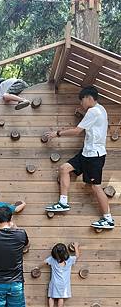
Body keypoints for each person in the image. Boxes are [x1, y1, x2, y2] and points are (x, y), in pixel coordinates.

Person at [44, 85, 114, 230]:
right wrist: (82, 113)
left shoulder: (93, 112)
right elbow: (93, 124)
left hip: (94, 156)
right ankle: (63, 203)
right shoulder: (101, 110)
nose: (81, 103)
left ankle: (108, 219)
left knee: (95, 187)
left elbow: (77, 131)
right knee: (64, 168)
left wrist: (57, 133)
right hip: (86, 153)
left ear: (89, 98)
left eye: (82, 100)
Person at [38, 242, 80, 307]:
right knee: (61, 297)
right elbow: (77, 256)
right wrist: (76, 247)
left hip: (54, 282)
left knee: (51, 296)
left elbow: (43, 263)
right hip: (64, 284)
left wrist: (38, 268)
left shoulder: (52, 259)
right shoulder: (70, 259)